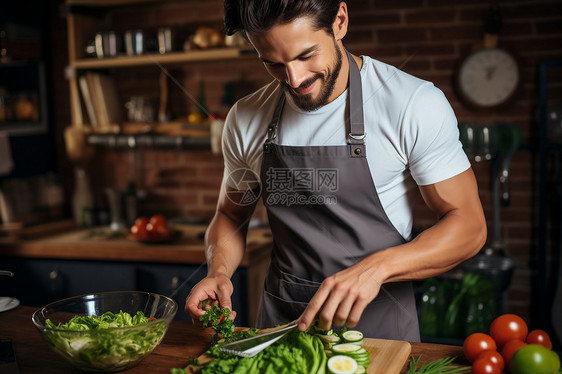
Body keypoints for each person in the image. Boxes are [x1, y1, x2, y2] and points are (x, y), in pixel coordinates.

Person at [185, 0, 486, 341]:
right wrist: (219, 271)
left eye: (305, 55)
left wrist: (376, 269)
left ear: (340, 21)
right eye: (273, 64)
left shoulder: (412, 103)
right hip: (280, 327)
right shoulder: (246, 118)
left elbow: (469, 226)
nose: (294, 79)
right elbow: (230, 214)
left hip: (378, 330)